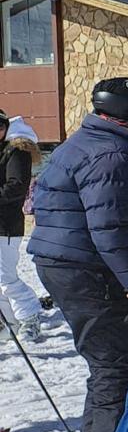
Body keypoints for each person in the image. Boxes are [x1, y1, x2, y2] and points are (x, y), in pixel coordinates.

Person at [29, 78, 128, 432]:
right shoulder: (113, 154)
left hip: (68, 265)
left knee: (106, 366)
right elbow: (112, 230)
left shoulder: (85, 142)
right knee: (113, 367)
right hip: (87, 269)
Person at [0, 112, 45, 342]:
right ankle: (9, 322)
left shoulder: (17, 150)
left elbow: (16, 186)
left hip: (5, 225)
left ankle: (30, 315)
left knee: (4, 276)